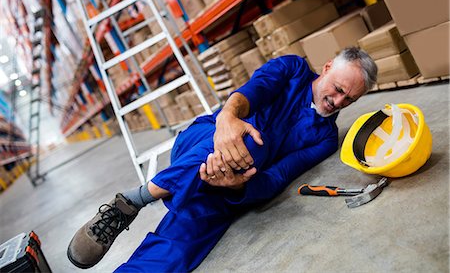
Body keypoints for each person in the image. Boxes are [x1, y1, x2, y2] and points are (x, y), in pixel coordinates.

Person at [67, 47, 377, 272]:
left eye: (349, 99)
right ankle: (137, 199)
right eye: (338, 89)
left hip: (228, 187)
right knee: (252, 141)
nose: (338, 101)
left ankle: (134, 201)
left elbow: (277, 177)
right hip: (202, 141)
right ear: (325, 69)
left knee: (174, 255)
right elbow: (251, 92)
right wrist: (228, 119)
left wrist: (237, 187)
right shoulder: (292, 69)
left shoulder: (324, 138)